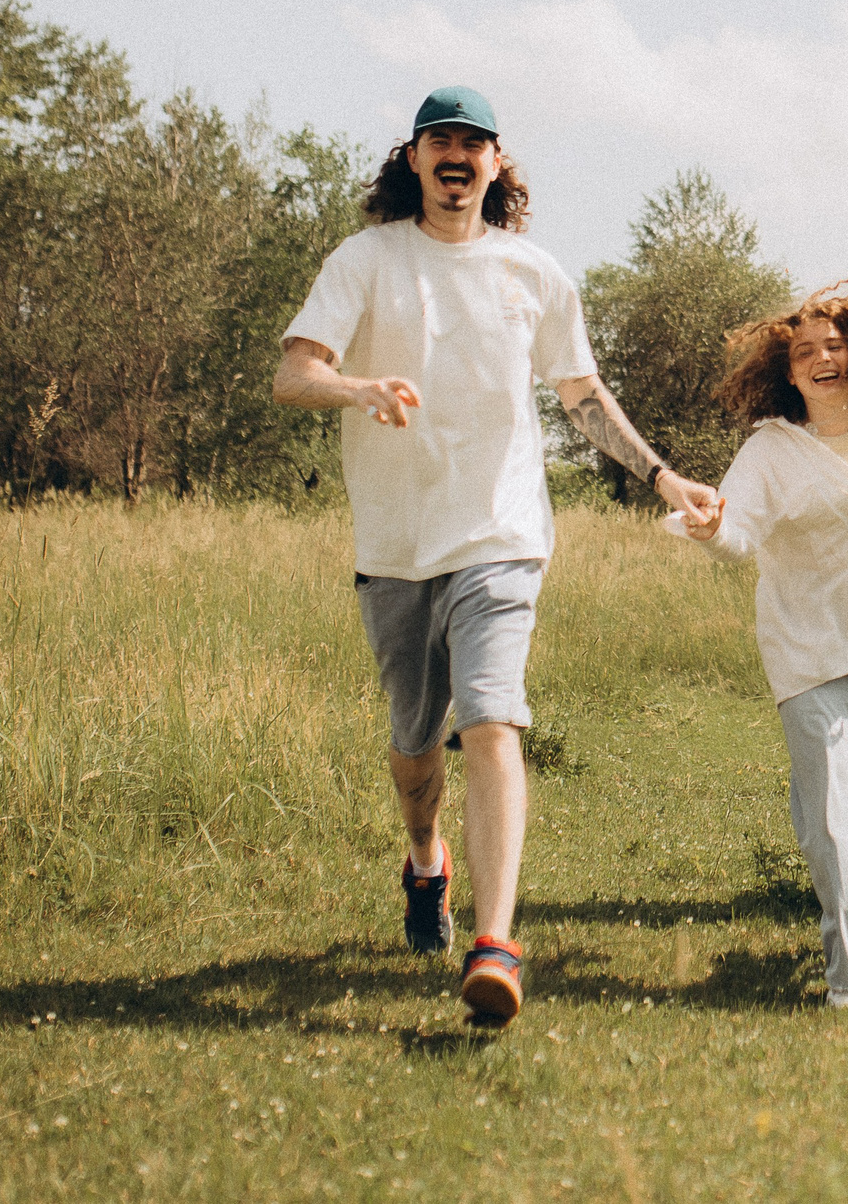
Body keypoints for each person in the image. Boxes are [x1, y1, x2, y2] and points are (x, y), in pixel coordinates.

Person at [273, 86, 720, 1028]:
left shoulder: (533, 271)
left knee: (490, 719)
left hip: (504, 537)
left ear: (494, 162)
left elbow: (581, 393)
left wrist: (663, 477)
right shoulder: (366, 259)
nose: (456, 154)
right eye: (440, 139)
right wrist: (357, 388)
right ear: (413, 156)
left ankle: (495, 942)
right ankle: (426, 854)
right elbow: (294, 371)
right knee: (412, 743)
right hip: (395, 543)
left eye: (473, 142)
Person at [674, 289, 848, 1008]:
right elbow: (738, 532)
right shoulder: (771, 450)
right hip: (804, 641)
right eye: (803, 352)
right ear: (786, 374)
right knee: (830, 812)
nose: (821, 358)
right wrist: (711, 532)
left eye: (832, 344)